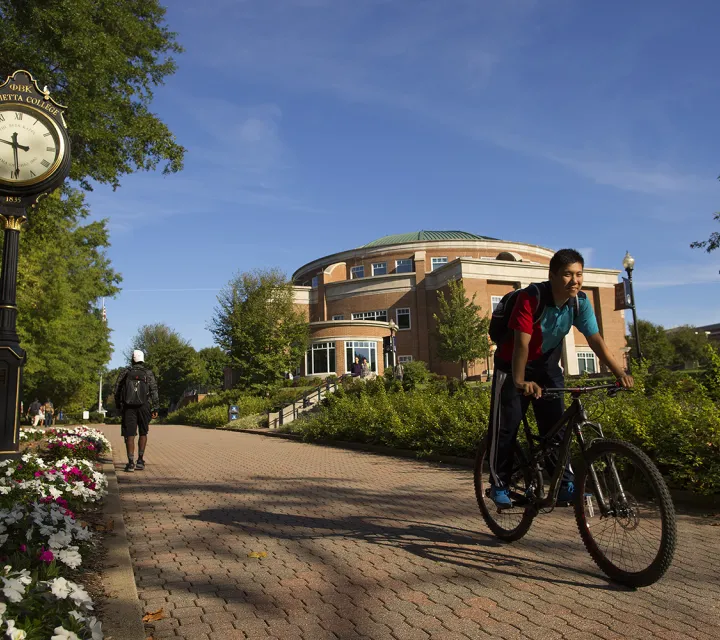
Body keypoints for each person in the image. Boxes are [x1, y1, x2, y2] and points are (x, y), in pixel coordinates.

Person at [487, 248, 633, 509]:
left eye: (578, 274)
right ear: (552, 275)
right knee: (506, 427)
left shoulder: (579, 303)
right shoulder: (531, 298)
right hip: (511, 367)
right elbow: (522, 344)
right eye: (567, 274)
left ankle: (564, 484)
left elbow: (596, 341)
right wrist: (520, 382)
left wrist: (619, 372)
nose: (574, 280)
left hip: (547, 366)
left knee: (556, 428)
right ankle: (499, 483)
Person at [114, 350, 159, 472]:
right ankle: (140, 460)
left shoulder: (125, 372)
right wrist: (155, 407)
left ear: (132, 359)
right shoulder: (148, 373)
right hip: (144, 406)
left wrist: (118, 406)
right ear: (143, 360)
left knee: (130, 434)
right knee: (143, 432)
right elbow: (154, 390)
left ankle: (130, 463)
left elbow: (117, 390)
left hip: (128, 407)